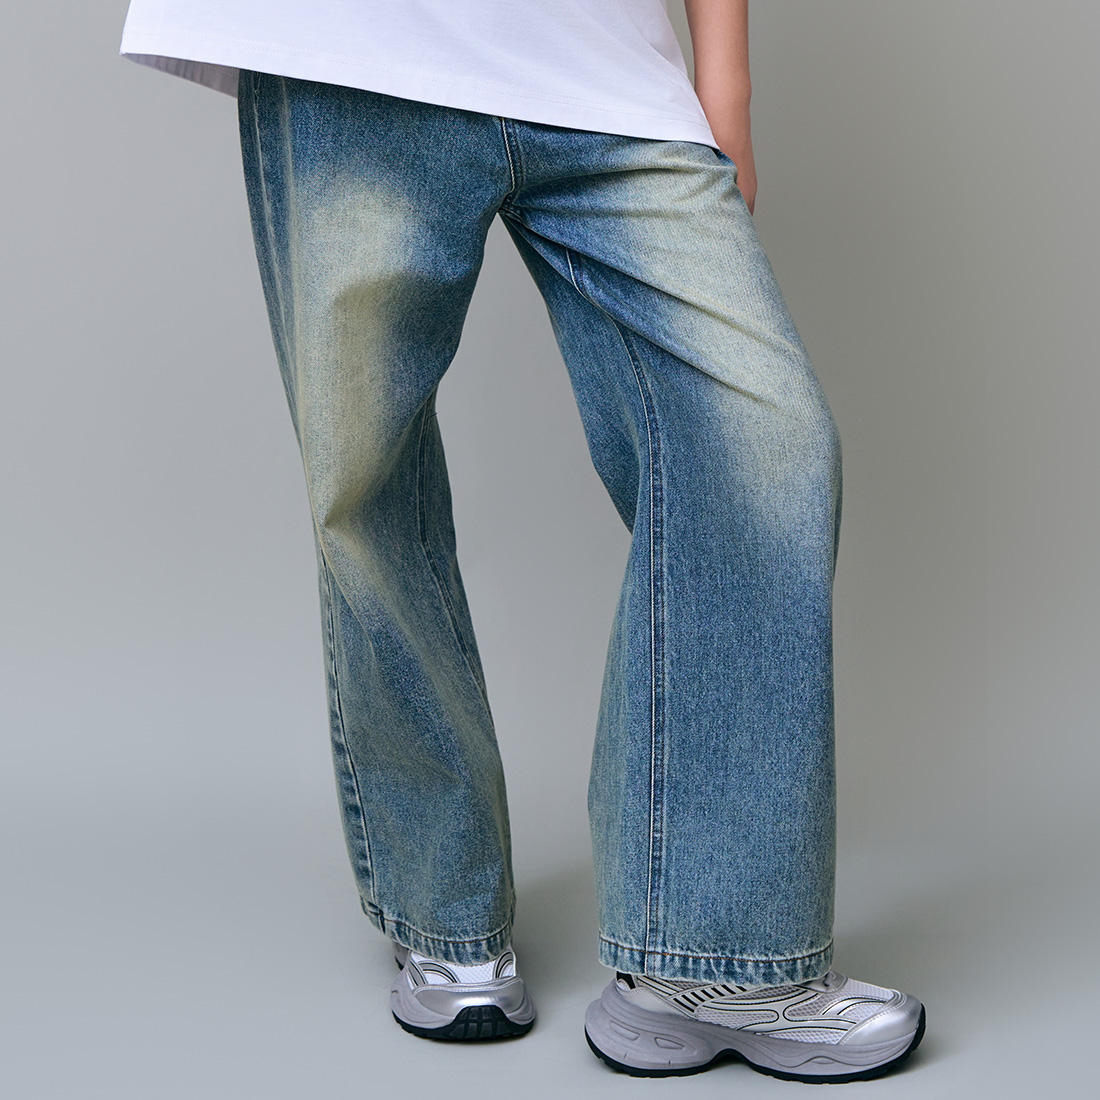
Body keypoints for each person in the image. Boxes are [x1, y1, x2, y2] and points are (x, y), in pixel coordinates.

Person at [118, 0, 926, 1081]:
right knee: (366, 487)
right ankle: (445, 914)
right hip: (345, 49)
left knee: (763, 445)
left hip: (601, 60)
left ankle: (711, 958)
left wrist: (724, 79)